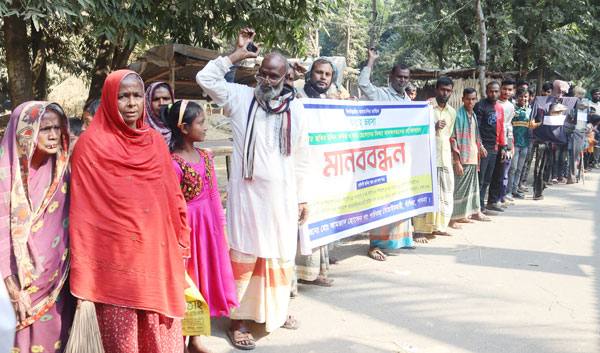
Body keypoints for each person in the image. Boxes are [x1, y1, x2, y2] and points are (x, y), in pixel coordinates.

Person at [196, 28, 308, 350]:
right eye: (263, 74)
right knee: (244, 253)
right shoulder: (241, 97)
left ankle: (276, 310)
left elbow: (302, 157)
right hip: (247, 198)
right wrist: (237, 54)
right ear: (257, 73)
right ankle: (239, 320)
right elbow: (207, 79)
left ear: (286, 77)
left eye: (275, 76)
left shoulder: (297, 109)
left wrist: (303, 197)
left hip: (283, 198)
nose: (268, 81)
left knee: (279, 254)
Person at [69, 70, 191, 352]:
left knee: (157, 335)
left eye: (136, 95)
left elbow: (172, 197)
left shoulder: (155, 142)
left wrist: (181, 241)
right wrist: (83, 274)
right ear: (110, 100)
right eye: (123, 96)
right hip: (112, 264)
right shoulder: (89, 145)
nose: (131, 103)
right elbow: (82, 215)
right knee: (121, 338)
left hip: (155, 256)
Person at [162, 100, 239, 353]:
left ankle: (195, 340)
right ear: (184, 128)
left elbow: (214, 195)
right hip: (188, 230)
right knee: (190, 283)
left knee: (203, 282)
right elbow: (172, 204)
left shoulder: (205, 156)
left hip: (208, 229)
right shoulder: (172, 163)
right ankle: (181, 341)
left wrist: (222, 228)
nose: (206, 127)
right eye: (201, 123)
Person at [0, 102, 75, 352]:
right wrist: (12, 286)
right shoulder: (4, 176)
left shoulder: (62, 171)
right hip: (15, 287)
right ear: (25, 132)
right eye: (45, 129)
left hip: (55, 287)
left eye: (57, 128)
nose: (54, 135)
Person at [357, 47, 414, 259]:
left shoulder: (408, 101)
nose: (402, 80)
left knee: (399, 197)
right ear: (391, 77)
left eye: (405, 77)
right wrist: (371, 61)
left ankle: (401, 240)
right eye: (399, 76)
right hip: (382, 158)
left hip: (400, 158)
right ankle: (374, 245)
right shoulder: (381, 94)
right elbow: (363, 84)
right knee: (380, 200)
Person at [294, 58, 339, 286]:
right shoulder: (296, 95)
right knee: (300, 221)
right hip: (299, 168)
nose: (323, 77)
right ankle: (297, 275)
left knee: (318, 217)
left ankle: (314, 273)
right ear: (310, 74)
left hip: (323, 169)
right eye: (319, 73)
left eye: (328, 74)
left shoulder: (330, 101)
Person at [413, 77, 456, 239]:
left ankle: (439, 226)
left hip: (444, 159)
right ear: (436, 89)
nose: (445, 93)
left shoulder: (452, 112)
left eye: (448, 90)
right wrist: (433, 127)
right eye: (443, 89)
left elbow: (449, 135)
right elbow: (415, 131)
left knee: (445, 194)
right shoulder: (426, 108)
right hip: (427, 159)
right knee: (426, 195)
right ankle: (420, 230)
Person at [448, 88, 491, 227]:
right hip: (463, 157)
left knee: (471, 188)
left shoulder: (472, 115)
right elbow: (453, 139)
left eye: (473, 99)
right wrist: (457, 161)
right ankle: (453, 218)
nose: (470, 102)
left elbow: (476, 135)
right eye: (468, 99)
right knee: (458, 189)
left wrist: (481, 147)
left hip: (473, 157)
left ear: (476, 99)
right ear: (462, 99)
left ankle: (463, 215)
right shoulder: (458, 115)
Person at [474, 82, 505, 215]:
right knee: (480, 180)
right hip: (483, 147)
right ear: (486, 91)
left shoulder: (500, 107)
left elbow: (501, 128)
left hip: (494, 148)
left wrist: (503, 146)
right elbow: (476, 127)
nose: (494, 94)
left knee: (488, 179)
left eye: (496, 91)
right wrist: (479, 145)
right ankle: (478, 208)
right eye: (491, 91)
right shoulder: (480, 106)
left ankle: (486, 204)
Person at [506, 88, 534, 198]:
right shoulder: (513, 109)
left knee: (519, 169)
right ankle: (508, 191)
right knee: (512, 169)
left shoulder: (530, 110)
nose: (523, 98)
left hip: (525, 144)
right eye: (521, 96)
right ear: (517, 97)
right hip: (514, 144)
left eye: (525, 96)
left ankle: (515, 189)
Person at [497, 79, 516, 204]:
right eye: (504, 89)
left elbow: (508, 125)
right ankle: (495, 198)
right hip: (497, 140)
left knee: (505, 171)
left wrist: (510, 143)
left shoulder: (511, 106)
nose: (506, 92)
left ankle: (502, 196)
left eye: (510, 90)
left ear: (513, 91)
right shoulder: (496, 104)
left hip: (507, 140)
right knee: (497, 172)